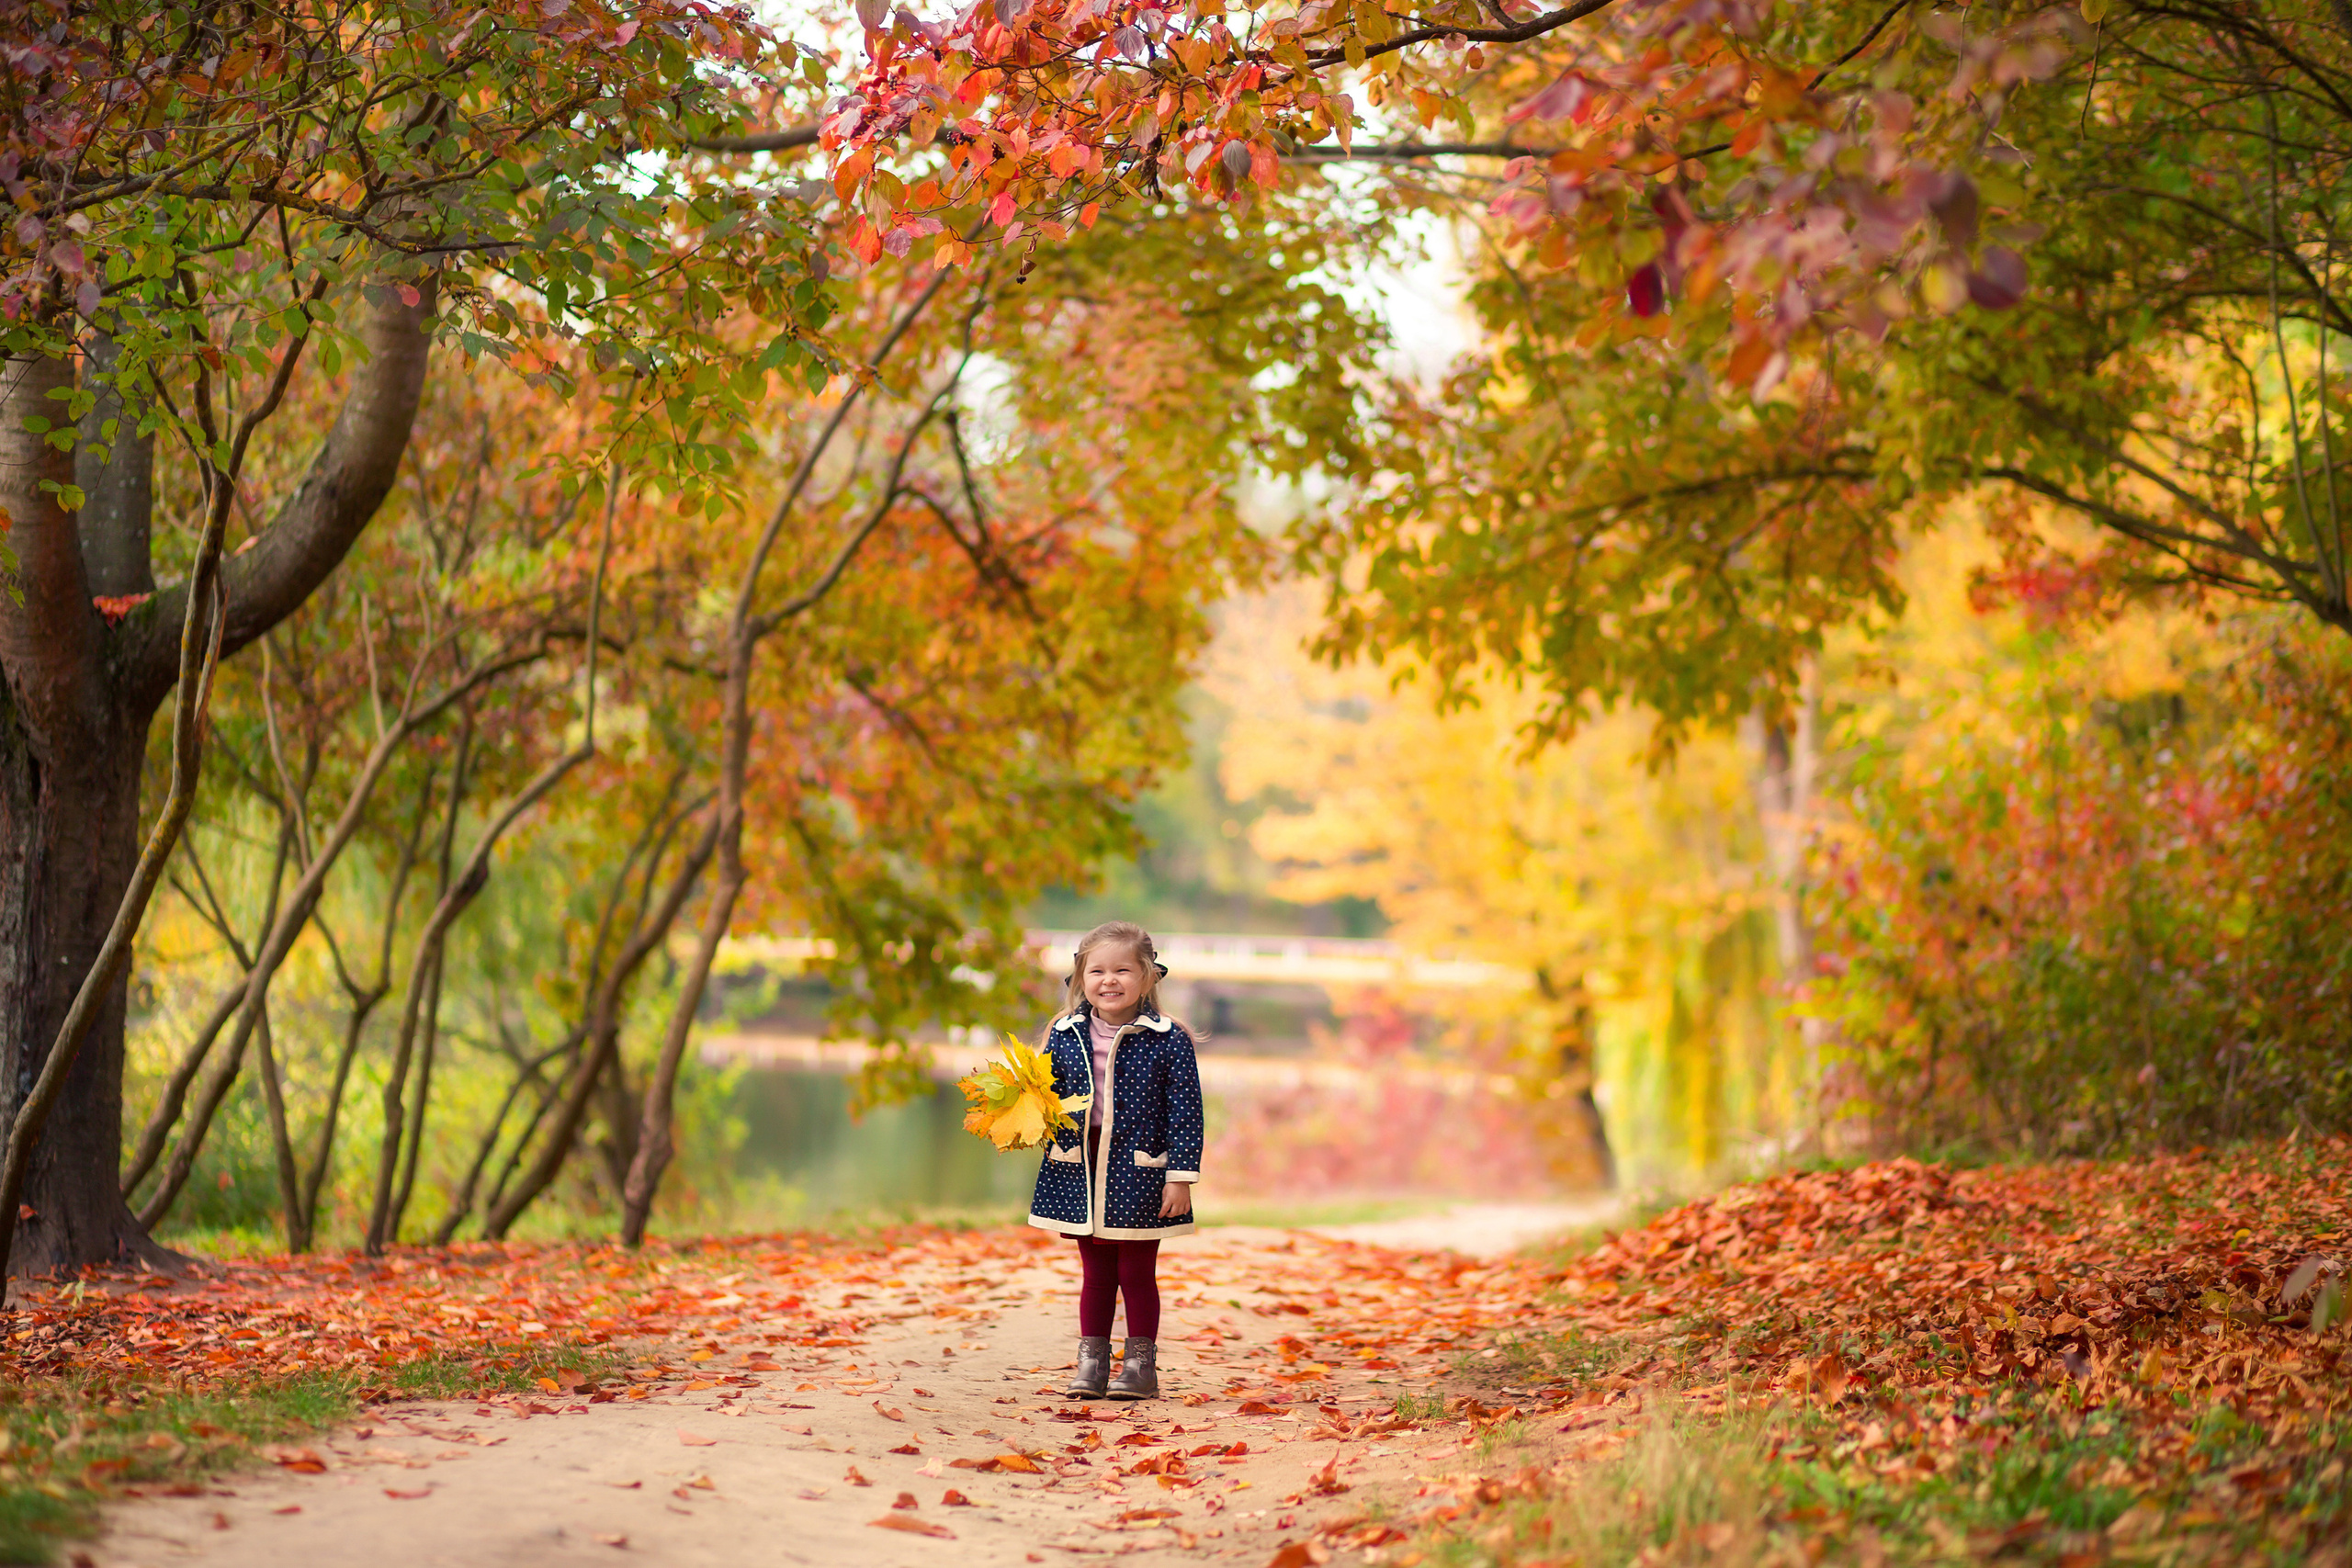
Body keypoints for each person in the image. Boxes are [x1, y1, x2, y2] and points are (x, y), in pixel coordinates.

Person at [1025, 921, 1204, 1400]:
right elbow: (1045, 1096)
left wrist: (1179, 1177)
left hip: (1140, 1168)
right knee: (1096, 1272)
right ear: (1081, 977)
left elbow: (1186, 1112)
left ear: (1148, 977)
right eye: (1097, 970)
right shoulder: (1062, 1034)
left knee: (1136, 1272)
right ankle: (1092, 1364)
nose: (1109, 980)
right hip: (1080, 1166)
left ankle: (1140, 1368)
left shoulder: (1169, 1040)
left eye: (1122, 970)